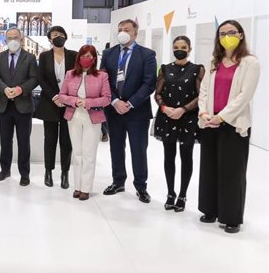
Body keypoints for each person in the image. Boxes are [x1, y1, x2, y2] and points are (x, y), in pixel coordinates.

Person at [197, 20, 260, 234]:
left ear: (241, 35)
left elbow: (244, 96)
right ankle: (210, 209)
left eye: (232, 32)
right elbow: (204, 91)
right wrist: (204, 113)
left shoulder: (250, 63)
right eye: (222, 33)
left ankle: (231, 217)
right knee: (209, 168)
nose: (227, 36)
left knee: (232, 172)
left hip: (233, 125)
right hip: (209, 122)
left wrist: (221, 117)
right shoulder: (214, 61)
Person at [100, 19, 156, 203]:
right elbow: (104, 79)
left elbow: (149, 83)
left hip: (137, 112)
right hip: (114, 110)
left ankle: (141, 186)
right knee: (116, 147)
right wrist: (115, 101)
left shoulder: (147, 55)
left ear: (135, 33)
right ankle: (118, 181)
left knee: (138, 150)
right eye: (120, 29)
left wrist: (130, 103)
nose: (122, 32)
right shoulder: (108, 53)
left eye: (126, 29)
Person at [153, 36, 204, 212]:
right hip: (167, 116)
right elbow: (158, 93)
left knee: (186, 155)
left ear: (189, 49)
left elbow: (201, 95)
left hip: (188, 118)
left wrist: (182, 109)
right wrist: (164, 107)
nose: (179, 50)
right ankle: (170, 193)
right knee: (169, 156)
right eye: (176, 47)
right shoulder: (165, 69)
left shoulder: (197, 69)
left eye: (183, 47)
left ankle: (182, 195)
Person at [59, 45, 111, 200]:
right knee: (77, 153)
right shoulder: (70, 74)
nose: (86, 59)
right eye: (83, 55)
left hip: (92, 118)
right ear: (79, 58)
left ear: (94, 59)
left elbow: (107, 98)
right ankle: (77, 186)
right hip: (74, 116)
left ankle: (86, 188)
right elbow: (62, 95)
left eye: (89, 56)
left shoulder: (102, 76)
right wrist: (75, 101)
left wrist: (88, 102)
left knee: (89, 154)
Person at [0, 27, 39, 186]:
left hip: (23, 106)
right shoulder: (0, 57)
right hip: (5, 105)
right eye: (9, 38)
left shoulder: (30, 58)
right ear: (5, 40)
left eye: (15, 38)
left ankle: (24, 174)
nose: (12, 41)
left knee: (23, 141)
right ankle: (5, 170)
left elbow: (34, 79)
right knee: (5, 141)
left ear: (21, 38)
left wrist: (20, 89)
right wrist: (4, 89)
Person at [35, 25, 77, 189]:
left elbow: (77, 77)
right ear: (50, 39)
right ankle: (48, 171)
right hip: (50, 103)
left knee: (66, 140)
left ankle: (65, 172)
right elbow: (41, 78)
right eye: (54, 35)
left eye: (60, 34)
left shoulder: (73, 55)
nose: (58, 36)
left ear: (65, 36)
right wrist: (54, 96)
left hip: (68, 103)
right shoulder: (44, 55)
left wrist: (65, 97)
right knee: (50, 140)